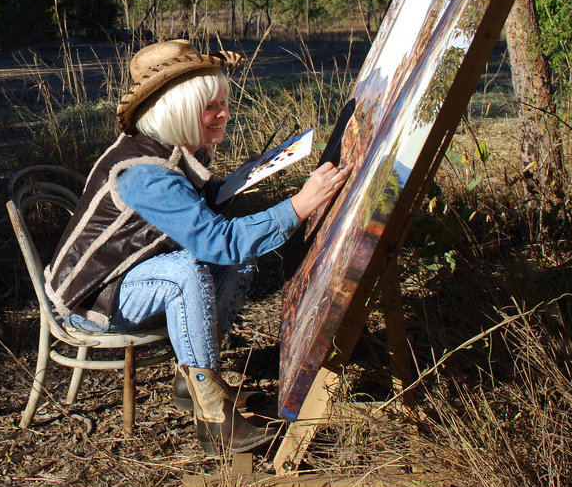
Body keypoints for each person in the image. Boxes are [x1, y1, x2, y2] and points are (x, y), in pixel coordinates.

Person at [44, 40, 350, 455]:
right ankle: (213, 419)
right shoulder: (145, 173)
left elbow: (194, 211)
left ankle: (194, 380)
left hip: (131, 274)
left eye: (224, 102)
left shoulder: (164, 146)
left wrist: (240, 179)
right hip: (94, 298)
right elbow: (214, 240)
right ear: (179, 108)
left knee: (238, 260)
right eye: (211, 106)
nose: (224, 113)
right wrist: (299, 205)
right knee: (189, 269)